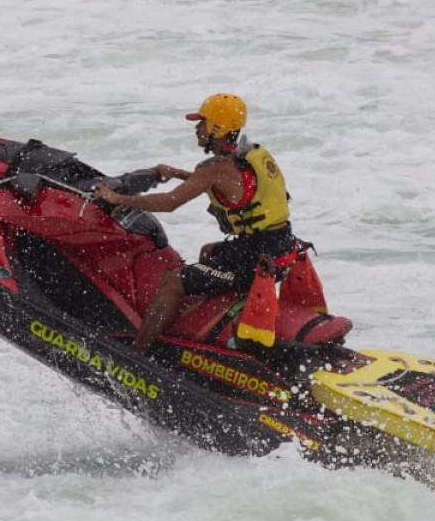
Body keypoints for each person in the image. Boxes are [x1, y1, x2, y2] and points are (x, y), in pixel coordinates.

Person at [95, 93, 297, 353]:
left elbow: (169, 202)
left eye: (202, 122)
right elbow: (222, 183)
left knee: (173, 282)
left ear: (218, 128)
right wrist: (179, 174)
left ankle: (138, 352)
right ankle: (203, 330)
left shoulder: (213, 169)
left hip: (255, 259)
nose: (197, 128)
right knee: (209, 251)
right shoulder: (249, 156)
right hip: (281, 249)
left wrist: (118, 198)